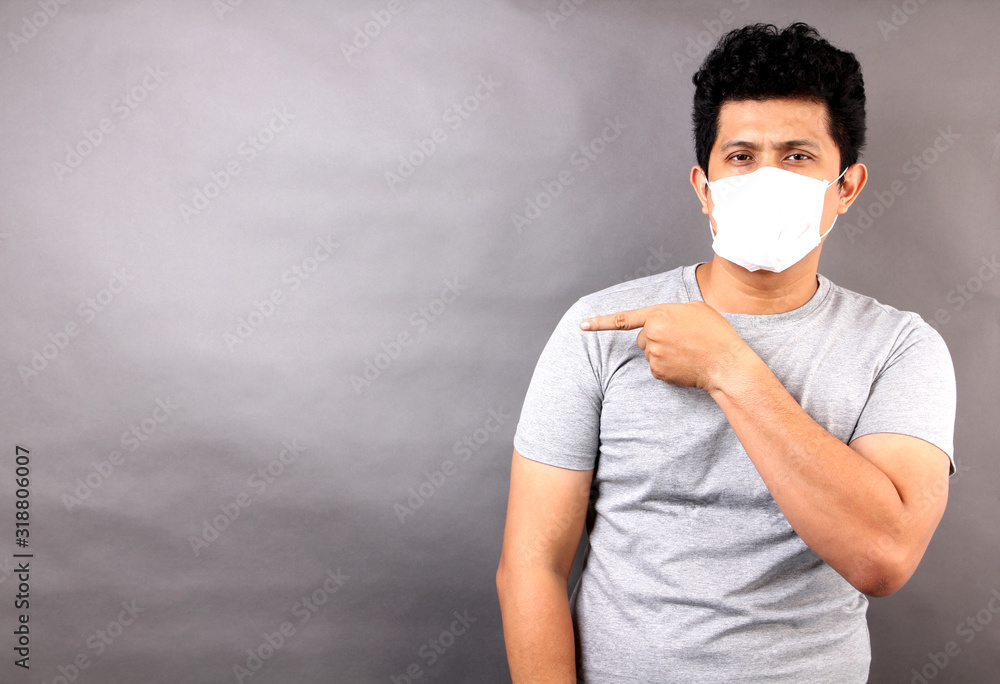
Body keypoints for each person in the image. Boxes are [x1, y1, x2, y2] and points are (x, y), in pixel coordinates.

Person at [495, 22, 957, 683]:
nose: (766, 177)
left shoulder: (901, 349)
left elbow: (882, 557)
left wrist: (728, 367)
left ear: (847, 186)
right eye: (741, 157)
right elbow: (531, 565)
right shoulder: (598, 330)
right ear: (703, 185)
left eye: (797, 157)